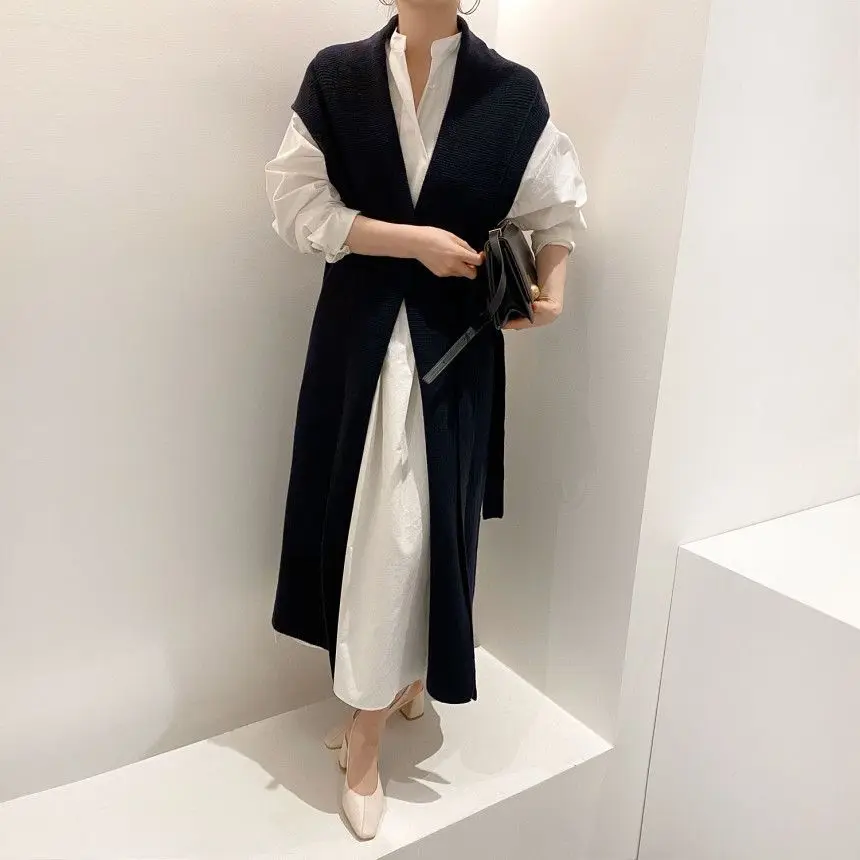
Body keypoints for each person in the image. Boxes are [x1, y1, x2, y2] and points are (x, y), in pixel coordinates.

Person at [265, 0, 586, 840]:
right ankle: (379, 707)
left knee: (417, 527)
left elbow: (556, 205)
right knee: (374, 527)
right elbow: (297, 205)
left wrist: (552, 291)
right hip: (359, 349)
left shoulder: (510, 93)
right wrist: (413, 242)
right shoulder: (338, 76)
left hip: (452, 350)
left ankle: (379, 709)